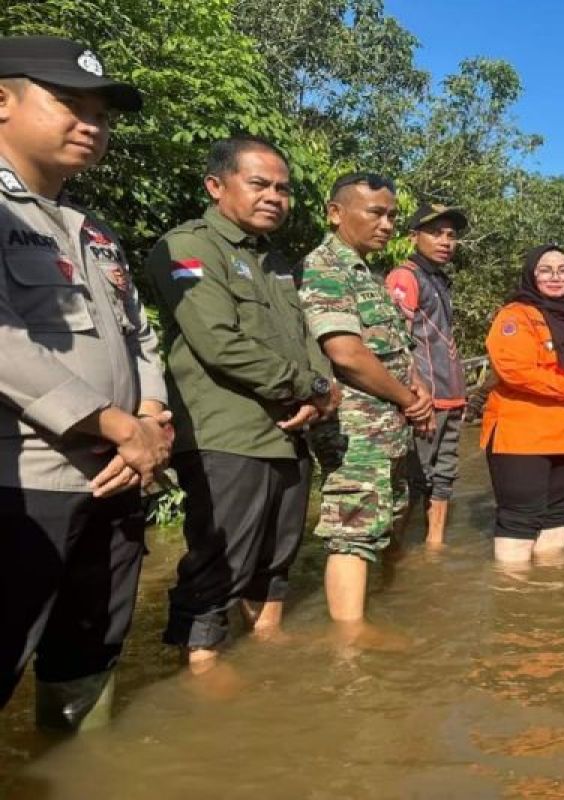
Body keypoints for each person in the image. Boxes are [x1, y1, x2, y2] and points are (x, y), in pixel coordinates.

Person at [0, 36, 172, 730]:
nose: (92, 124)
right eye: (69, 103)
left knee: (90, 656)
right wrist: (114, 424)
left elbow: (141, 335)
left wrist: (151, 414)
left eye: (102, 112)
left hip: (120, 478)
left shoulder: (93, 230)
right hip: (25, 485)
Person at [148, 136, 340, 676]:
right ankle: (203, 666)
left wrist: (319, 391)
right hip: (226, 431)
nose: (274, 197)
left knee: (278, 551)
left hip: (287, 429)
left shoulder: (274, 260)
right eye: (259, 184)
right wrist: (306, 387)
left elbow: (305, 336)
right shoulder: (189, 247)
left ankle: (266, 643)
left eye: (282, 188)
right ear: (216, 185)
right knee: (220, 556)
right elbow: (217, 341)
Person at [298, 172, 434, 641]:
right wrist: (407, 400)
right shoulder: (326, 269)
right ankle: (350, 640)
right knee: (352, 530)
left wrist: (416, 390)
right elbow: (347, 355)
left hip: (387, 426)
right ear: (335, 213)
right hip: (355, 427)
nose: (387, 224)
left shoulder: (365, 273)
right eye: (375, 212)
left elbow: (393, 350)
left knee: (383, 519)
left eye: (393, 215)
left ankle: (366, 614)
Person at [481, 245, 564, 564]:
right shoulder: (515, 315)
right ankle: (514, 607)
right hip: (523, 438)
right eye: (545, 270)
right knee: (520, 520)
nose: (555, 277)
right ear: (532, 273)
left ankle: (548, 605)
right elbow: (517, 371)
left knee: (559, 517)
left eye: (561, 270)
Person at [385, 204, 469, 547]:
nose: (445, 241)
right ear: (413, 236)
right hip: (425, 399)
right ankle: (397, 557)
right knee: (413, 479)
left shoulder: (439, 279)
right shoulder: (405, 277)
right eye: (435, 233)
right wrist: (412, 398)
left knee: (444, 474)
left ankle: (434, 547)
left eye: (451, 235)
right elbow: (396, 341)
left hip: (451, 396)